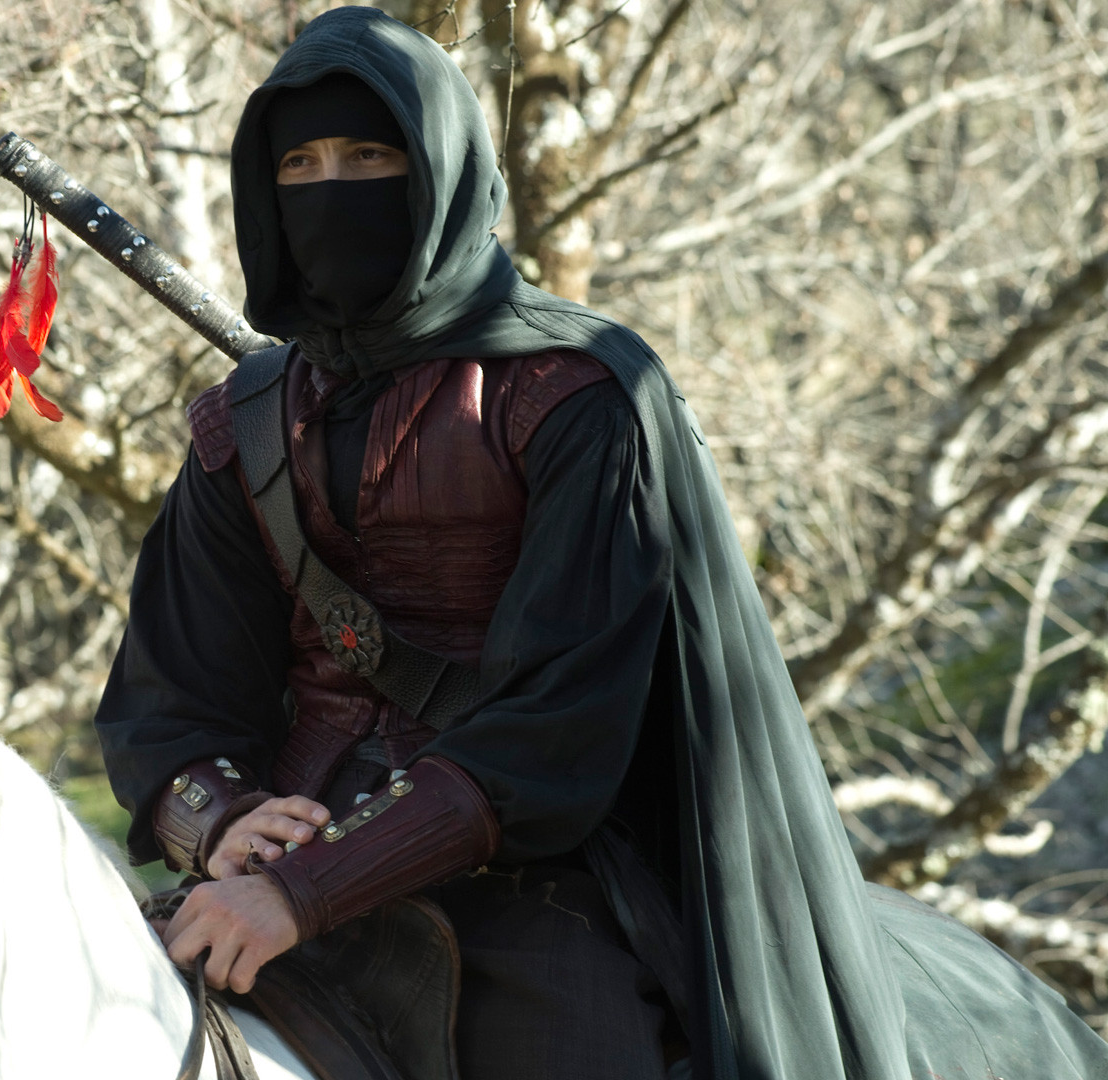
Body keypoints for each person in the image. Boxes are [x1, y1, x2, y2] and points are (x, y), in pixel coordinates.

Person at [94, 7, 1108, 1080]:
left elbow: (557, 728)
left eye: (368, 155)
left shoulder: (582, 395)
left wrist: (308, 891)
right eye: (299, 163)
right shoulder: (245, 422)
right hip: (270, 874)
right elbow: (171, 699)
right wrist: (218, 823)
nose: (331, 188)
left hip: (542, 876)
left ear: (436, 172)